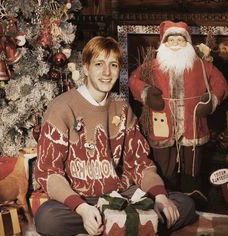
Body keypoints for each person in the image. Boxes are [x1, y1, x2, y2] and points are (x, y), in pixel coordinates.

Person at [34, 36, 197, 236]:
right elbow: (49, 172)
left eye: (113, 65)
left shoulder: (122, 108)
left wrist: (161, 197)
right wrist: (82, 208)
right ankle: (131, 225)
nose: (106, 72)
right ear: (85, 68)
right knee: (47, 219)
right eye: (99, 64)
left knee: (185, 205)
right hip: (82, 199)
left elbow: (139, 163)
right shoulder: (61, 107)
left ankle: (120, 224)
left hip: (121, 196)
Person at [128, 20, 228, 208]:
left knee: (192, 162)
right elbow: (133, 80)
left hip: (193, 123)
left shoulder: (201, 65)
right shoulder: (153, 65)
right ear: (164, 44)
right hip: (161, 120)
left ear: (187, 43)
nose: (175, 43)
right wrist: (146, 93)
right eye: (170, 39)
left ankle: (192, 193)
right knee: (164, 162)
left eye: (179, 40)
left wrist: (211, 101)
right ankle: (165, 192)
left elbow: (221, 83)